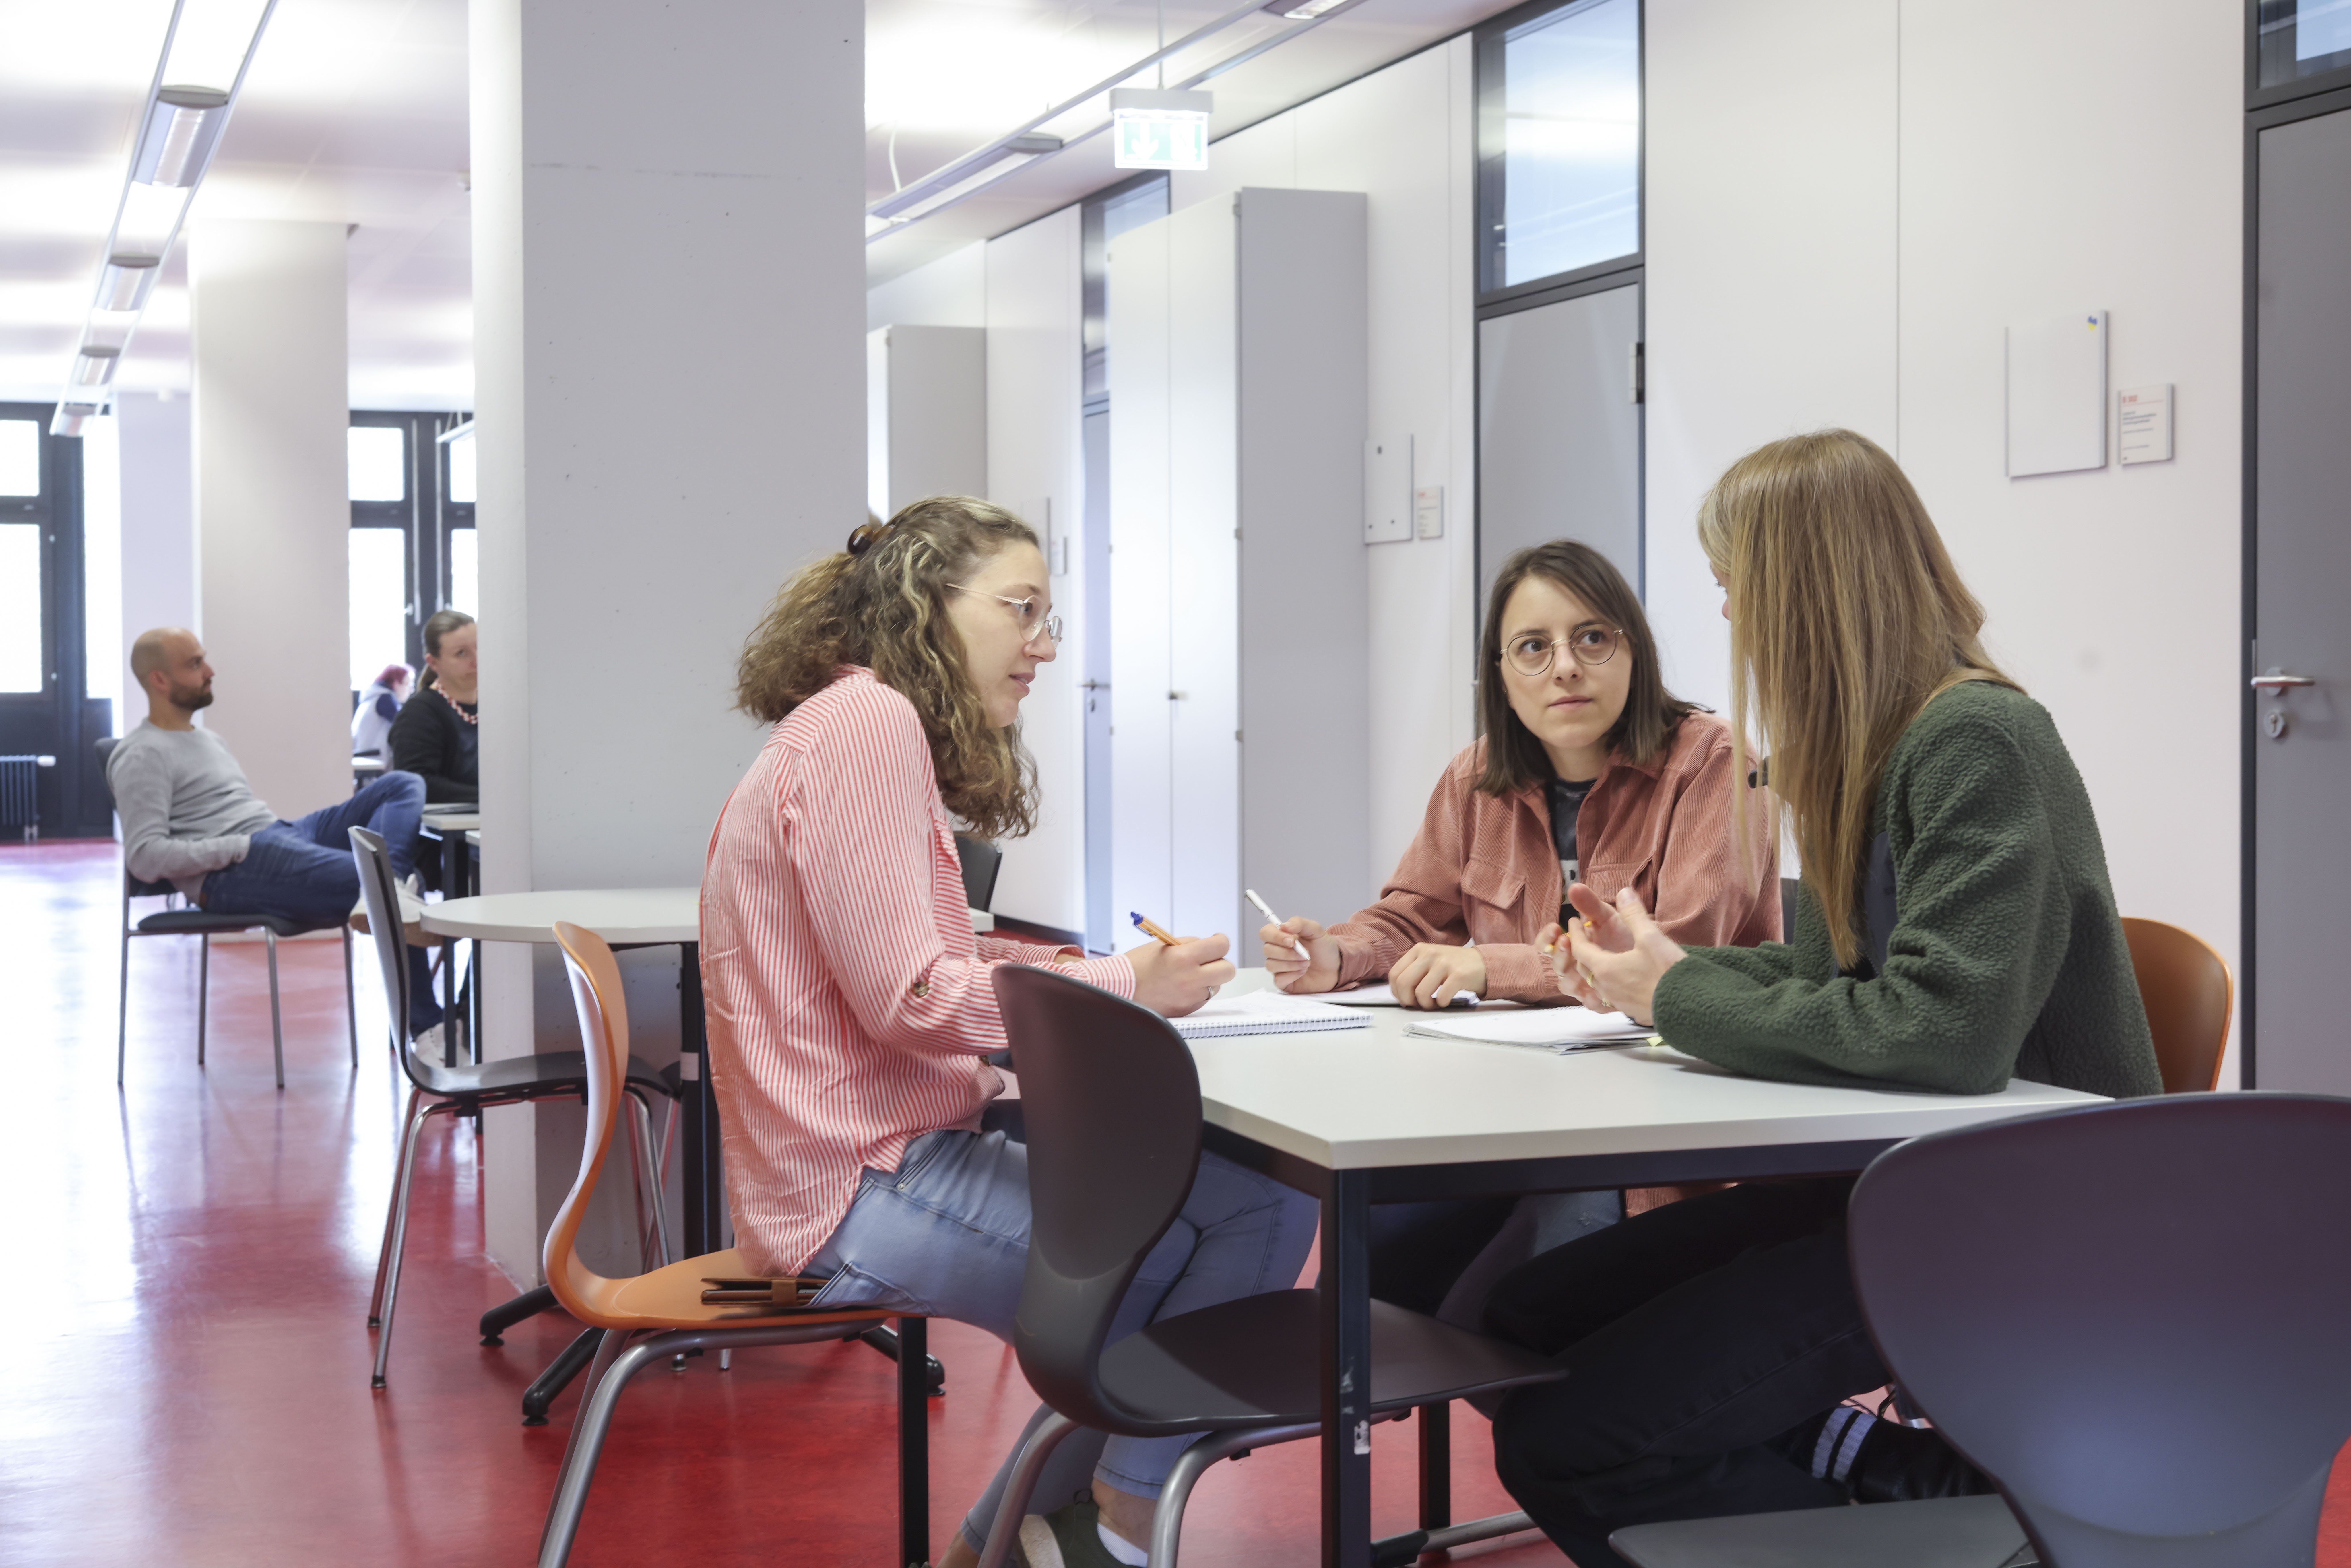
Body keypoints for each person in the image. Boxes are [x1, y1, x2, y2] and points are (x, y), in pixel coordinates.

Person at [1483, 429, 2164, 1567]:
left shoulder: (1976, 739)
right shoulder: (1880, 748)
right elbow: (1831, 976)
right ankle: (1893, 1477)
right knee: (1526, 1318)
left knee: (1561, 1437)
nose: (1729, 620)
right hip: (1909, 1186)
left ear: (1801, 593)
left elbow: (1940, 1031)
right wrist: (1668, 981)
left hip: (2013, 1221)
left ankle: (1909, 1516)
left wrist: (1677, 998)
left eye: (1732, 589)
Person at [700, 497, 1317, 1568]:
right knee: (1224, 1236)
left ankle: (1033, 1534)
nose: (1043, 645)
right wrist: (1124, 982)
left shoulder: (852, 719)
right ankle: (1117, 1515)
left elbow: (939, 970)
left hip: (874, 1161)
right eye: (1020, 609)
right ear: (922, 607)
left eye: (1049, 616)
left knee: (1253, 1203)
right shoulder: (868, 726)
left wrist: (1107, 974)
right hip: (859, 1185)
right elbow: (911, 999)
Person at [1256, 541, 1780, 1323]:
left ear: (1634, 649)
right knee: (1365, 1282)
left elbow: (1668, 956)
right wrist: (1336, 954)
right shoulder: (1477, 778)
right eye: (1534, 648)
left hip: (1650, 1136)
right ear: (1501, 675)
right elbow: (1409, 914)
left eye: (1592, 638)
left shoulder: (1715, 762)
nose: (1565, 667)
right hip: (1508, 1118)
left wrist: (1486, 969)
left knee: (1495, 1320)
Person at [110, 627, 443, 1040]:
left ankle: (391, 886)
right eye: (195, 664)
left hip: (280, 835)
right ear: (159, 680)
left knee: (403, 784)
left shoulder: (208, 739)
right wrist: (237, 848)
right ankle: (428, 1028)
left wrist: (261, 839)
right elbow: (144, 857)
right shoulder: (141, 754)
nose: (210, 671)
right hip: (235, 869)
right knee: (390, 889)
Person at [386, 610, 476, 803]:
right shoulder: (418, 714)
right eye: (462, 653)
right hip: (444, 830)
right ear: (434, 663)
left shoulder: (500, 707)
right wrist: (488, 798)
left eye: (481, 648)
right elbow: (418, 783)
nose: (476, 661)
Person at [351, 663, 409, 758]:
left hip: (365, 759)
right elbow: (404, 725)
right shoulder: (385, 700)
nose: (410, 690)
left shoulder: (374, 697)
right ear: (395, 683)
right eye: (408, 684)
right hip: (373, 762)